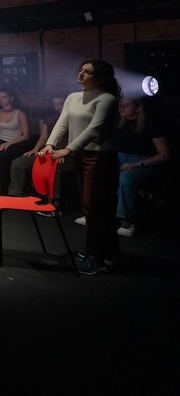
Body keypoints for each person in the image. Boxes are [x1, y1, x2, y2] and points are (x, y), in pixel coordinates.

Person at [40, 59, 121, 275]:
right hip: (80, 154)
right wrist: (50, 144)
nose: (81, 74)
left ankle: (96, 258)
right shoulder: (73, 97)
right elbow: (62, 122)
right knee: (93, 206)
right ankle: (108, 254)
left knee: (93, 206)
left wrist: (68, 149)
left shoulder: (107, 99)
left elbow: (94, 129)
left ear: (100, 78)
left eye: (87, 72)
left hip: (100, 156)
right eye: (81, 70)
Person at [114, 96, 170, 238]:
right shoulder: (119, 124)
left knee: (126, 178)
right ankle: (95, 214)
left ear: (138, 108)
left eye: (126, 105)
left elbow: (164, 154)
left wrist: (137, 164)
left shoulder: (151, 125)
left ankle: (127, 221)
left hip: (145, 164)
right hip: (122, 161)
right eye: (121, 105)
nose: (122, 108)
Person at [7, 94, 71, 206]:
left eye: (60, 104)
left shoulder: (74, 120)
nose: (58, 107)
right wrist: (35, 149)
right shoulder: (50, 119)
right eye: (55, 104)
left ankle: (54, 204)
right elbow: (43, 138)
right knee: (19, 162)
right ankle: (16, 195)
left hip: (67, 153)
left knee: (54, 169)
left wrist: (65, 153)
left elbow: (76, 141)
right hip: (48, 151)